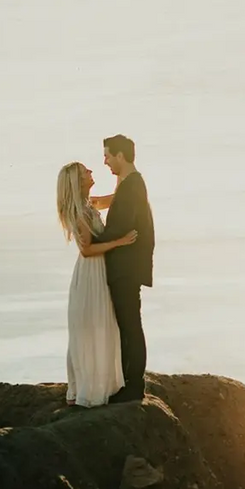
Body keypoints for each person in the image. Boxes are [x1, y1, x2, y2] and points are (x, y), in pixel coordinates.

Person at [56, 161, 138, 408]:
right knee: (93, 326)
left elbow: (114, 199)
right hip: (92, 272)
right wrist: (120, 242)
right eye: (86, 172)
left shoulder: (89, 204)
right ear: (78, 181)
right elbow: (87, 250)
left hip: (98, 271)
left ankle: (92, 384)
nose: (91, 172)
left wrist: (124, 173)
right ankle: (89, 389)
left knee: (99, 325)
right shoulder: (80, 212)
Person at [87, 134, 155, 403]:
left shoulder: (132, 186)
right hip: (127, 267)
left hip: (126, 268)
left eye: (107, 155)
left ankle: (134, 387)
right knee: (128, 326)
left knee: (130, 326)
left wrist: (89, 242)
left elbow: (119, 227)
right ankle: (131, 383)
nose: (104, 161)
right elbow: (112, 201)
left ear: (120, 155)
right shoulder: (129, 183)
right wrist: (87, 203)